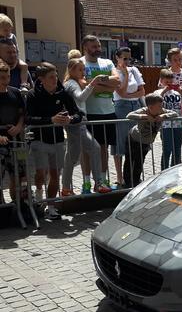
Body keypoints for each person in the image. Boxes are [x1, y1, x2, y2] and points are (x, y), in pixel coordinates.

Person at [26, 63, 82, 219]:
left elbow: (78, 114)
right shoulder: (32, 95)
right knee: (40, 173)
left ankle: (50, 206)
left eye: (56, 76)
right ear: (41, 79)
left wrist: (70, 119)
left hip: (58, 140)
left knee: (55, 174)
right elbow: (28, 118)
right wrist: (51, 119)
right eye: (51, 77)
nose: (55, 79)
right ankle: (38, 194)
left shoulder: (62, 93)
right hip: (39, 140)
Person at [61, 59, 111, 195]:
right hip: (77, 123)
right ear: (71, 70)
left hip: (77, 123)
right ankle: (98, 183)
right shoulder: (71, 83)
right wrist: (93, 83)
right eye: (80, 70)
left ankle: (66, 188)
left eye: (84, 69)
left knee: (71, 156)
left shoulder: (70, 83)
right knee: (93, 148)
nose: (83, 72)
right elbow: (81, 97)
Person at [80, 35, 121, 189]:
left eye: (98, 46)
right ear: (85, 47)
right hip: (89, 113)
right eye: (94, 46)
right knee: (87, 150)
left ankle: (102, 180)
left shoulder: (107, 62)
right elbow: (83, 84)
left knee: (103, 148)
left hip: (108, 112)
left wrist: (96, 82)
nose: (98, 49)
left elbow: (117, 81)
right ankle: (86, 181)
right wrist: (107, 84)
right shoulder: (80, 63)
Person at [124, 93, 177, 188]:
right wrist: (144, 117)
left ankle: (136, 181)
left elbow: (174, 114)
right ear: (151, 107)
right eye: (160, 106)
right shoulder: (144, 111)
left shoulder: (162, 112)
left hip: (146, 142)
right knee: (130, 160)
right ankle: (127, 182)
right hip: (134, 139)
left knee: (140, 161)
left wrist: (164, 116)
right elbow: (129, 115)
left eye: (162, 105)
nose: (162, 108)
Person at [113, 47, 145, 186]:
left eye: (129, 58)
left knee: (135, 142)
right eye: (124, 58)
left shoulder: (135, 70)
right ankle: (120, 177)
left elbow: (142, 90)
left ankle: (133, 175)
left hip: (135, 106)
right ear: (117, 58)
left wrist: (130, 96)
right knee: (121, 143)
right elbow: (121, 92)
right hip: (121, 107)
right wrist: (125, 75)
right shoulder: (114, 72)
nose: (127, 61)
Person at [0, 60, 25, 203]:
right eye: (2, 78)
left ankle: (18, 205)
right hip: (1, 143)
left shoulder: (15, 92)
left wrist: (19, 126)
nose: (5, 81)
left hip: (16, 142)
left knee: (19, 175)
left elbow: (22, 114)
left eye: (7, 77)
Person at [157, 68, 182, 168]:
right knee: (167, 150)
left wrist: (181, 92)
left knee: (177, 150)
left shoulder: (177, 93)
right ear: (161, 81)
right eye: (166, 82)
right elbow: (155, 102)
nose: (169, 84)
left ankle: (174, 172)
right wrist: (164, 91)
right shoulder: (159, 92)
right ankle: (164, 171)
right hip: (165, 126)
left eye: (171, 82)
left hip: (179, 125)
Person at [0, 14, 29, 91]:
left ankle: (24, 84)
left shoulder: (12, 37)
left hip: (14, 60)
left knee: (24, 66)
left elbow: (17, 50)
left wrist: (15, 62)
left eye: (10, 30)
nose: (8, 33)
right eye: (5, 30)